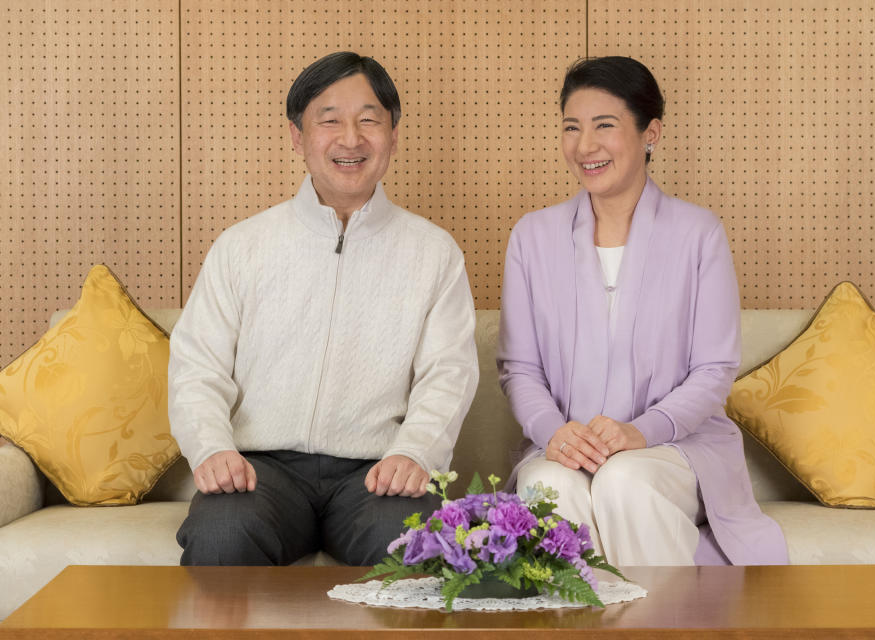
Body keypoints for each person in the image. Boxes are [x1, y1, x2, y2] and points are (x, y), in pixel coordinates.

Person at [169, 51, 479, 566]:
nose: (351, 138)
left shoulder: (434, 252)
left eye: (368, 120)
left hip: (376, 473)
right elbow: (197, 366)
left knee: (419, 548)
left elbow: (448, 373)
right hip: (262, 471)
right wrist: (211, 448)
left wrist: (414, 452)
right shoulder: (242, 246)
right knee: (221, 534)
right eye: (329, 120)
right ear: (298, 137)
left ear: (394, 134)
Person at [497, 56, 787, 566]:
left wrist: (641, 431)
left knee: (624, 480)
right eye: (572, 127)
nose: (585, 146)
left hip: (678, 450)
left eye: (604, 126)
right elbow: (519, 368)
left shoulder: (699, 234)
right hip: (563, 446)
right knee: (547, 489)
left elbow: (714, 371)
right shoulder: (532, 237)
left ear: (649, 133)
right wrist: (552, 432)